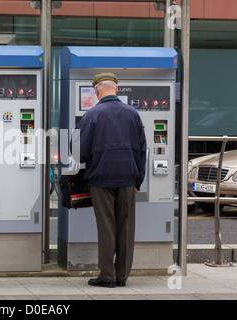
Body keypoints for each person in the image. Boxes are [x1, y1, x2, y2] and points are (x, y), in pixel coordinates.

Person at [72, 72, 147, 288]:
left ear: (96, 90)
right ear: (117, 88)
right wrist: (137, 181)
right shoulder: (133, 115)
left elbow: (78, 152)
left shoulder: (91, 115)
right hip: (127, 179)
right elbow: (142, 151)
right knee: (125, 228)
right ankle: (122, 275)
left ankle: (107, 276)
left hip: (100, 180)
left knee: (106, 227)